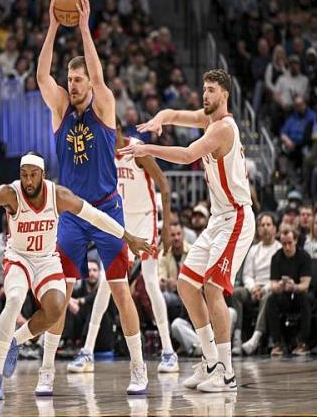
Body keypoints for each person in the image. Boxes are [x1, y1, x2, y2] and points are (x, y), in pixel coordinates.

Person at [0, 153, 149, 399]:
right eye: (24, 175)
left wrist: (128, 237)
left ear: (43, 175)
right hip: (19, 258)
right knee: (14, 299)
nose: (28, 181)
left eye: (33, 175)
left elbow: (94, 215)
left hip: (46, 259)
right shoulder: (11, 193)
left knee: (56, 309)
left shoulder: (58, 196)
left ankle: (14, 341)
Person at [35, 0, 149, 395]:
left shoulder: (104, 106)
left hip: (106, 210)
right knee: (59, 294)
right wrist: (53, 25)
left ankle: (139, 367)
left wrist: (84, 28)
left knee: (120, 291)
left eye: (78, 79)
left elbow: (100, 79)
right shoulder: (60, 109)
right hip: (70, 215)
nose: (73, 84)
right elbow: (42, 77)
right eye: (70, 79)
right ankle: (46, 370)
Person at [120, 69, 256, 393]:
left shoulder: (223, 129)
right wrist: (159, 119)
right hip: (218, 219)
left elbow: (187, 155)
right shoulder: (207, 119)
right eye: (203, 89)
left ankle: (226, 373)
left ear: (224, 95)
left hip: (237, 217)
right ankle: (209, 361)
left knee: (212, 287)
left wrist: (148, 149)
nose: (205, 95)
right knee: (186, 284)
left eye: (211, 90)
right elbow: (175, 114)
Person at [67, 117, 178, 374]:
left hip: (145, 220)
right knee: (106, 284)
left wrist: (166, 226)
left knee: (150, 282)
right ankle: (87, 351)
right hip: (121, 223)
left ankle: (168, 351)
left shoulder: (137, 149)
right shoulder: (102, 156)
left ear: (116, 129)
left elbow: (164, 184)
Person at [233, 213, 281, 356]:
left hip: (270, 288)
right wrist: (253, 288)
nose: (265, 228)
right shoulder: (253, 250)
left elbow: (278, 278)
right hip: (253, 288)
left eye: (268, 225)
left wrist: (264, 289)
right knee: (236, 293)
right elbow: (247, 275)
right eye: (262, 225)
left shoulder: (279, 249)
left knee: (268, 297)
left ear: (274, 228)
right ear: (258, 229)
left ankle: (255, 338)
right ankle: (237, 338)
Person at [266, 226, 312, 356]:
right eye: (284, 243)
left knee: (306, 299)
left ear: (295, 240)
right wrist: (280, 286)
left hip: (299, 293)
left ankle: (303, 342)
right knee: (271, 299)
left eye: (290, 243)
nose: (287, 247)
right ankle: (277, 342)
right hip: (284, 294)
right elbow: (273, 284)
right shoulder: (276, 257)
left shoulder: (304, 257)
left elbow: (305, 284)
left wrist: (294, 287)